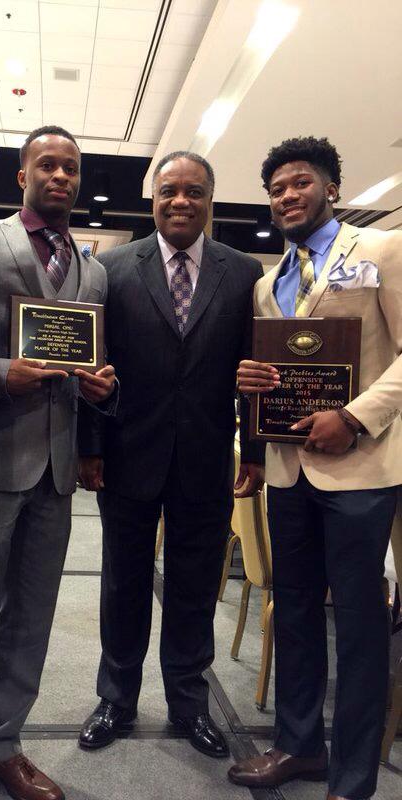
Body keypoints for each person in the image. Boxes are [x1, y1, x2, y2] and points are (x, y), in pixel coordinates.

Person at [0, 125, 116, 800]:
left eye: (70, 167)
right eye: (48, 165)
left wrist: (104, 385)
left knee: (31, 621)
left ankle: (1, 744)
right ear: (23, 175)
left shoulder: (93, 270)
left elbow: (90, 361)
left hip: (58, 474)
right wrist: (4, 369)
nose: (61, 176)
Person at [229, 136, 402, 800]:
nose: (286, 196)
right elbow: (274, 369)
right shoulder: (266, 280)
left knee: (357, 621)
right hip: (287, 472)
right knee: (294, 606)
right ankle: (299, 746)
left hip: (361, 471)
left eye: (299, 183)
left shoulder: (381, 254)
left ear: (333, 188)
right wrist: (249, 380)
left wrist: (355, 416)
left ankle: (352, 778)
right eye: (275, 188)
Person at [77, 151, 264, 757]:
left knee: (193, 586)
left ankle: (189, 703)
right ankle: (116, 699)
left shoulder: (241, 274)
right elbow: (93, 370)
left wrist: (254, 451)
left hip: (207, 459)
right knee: (123, 583)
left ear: (211, 198)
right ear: (152, 200)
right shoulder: (112, 269)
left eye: (193, 192)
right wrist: (91, 448)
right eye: (169, 192)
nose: (180, 202)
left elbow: (256, 372)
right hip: (128, 454)